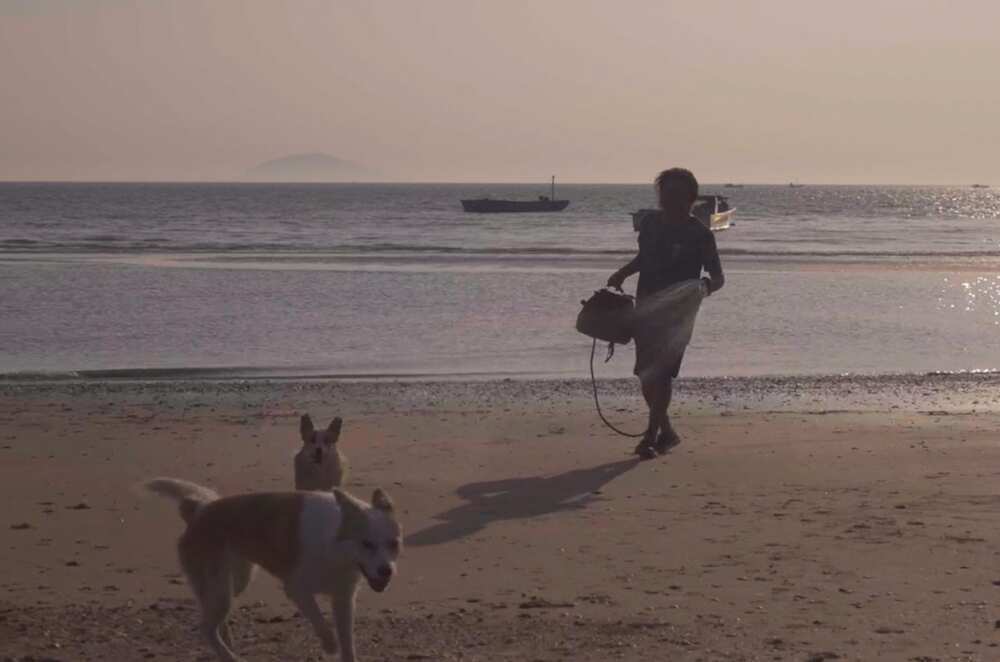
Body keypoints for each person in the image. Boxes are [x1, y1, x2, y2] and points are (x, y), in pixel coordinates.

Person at [607, 168, 724, 459]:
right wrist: (622, 272)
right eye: (666, 193)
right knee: (646, 375)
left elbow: (718, 277)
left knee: (662, 374)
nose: (671, 200)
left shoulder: (700, 234)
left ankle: (650, 436)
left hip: (679, 316)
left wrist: (703, 288)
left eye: (678, 194)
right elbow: (643, 258)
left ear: (691, 197)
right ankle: (667, 432)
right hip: (645, 309)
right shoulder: (650, 224)